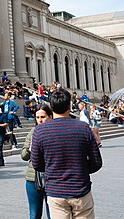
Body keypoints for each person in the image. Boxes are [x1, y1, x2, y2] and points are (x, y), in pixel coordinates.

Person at [31, 88, 102, 219]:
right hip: (81, 190)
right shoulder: (83, 128)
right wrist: (80, 169)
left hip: (55, 191)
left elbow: (36, 164)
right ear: (70, 105)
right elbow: (96, 162)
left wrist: (53, 170)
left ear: (51, 107)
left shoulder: (40, 131)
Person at [21, 105, 53, 219]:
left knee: (53, 214)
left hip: (52, 178)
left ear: (50, 116)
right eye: (37, 117)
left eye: (43, 117)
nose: (40, 120)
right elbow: (23, 156)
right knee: (34, 214)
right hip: (33, 178)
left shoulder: (55, 132)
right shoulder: (33, 132)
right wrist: (30, 148)